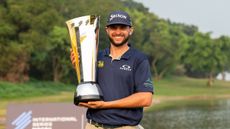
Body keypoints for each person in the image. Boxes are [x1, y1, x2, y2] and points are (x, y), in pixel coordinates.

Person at [71, 10, 154, 129]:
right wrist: (79, 68)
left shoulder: (139, 59)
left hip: (125, 127)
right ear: (107, 30)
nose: (118, 32)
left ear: (130, 30)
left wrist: (105, 105)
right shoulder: (95, 56)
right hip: (94, 125)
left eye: (123, 28)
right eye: (114, 27)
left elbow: (145, 98)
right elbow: (88, 89)